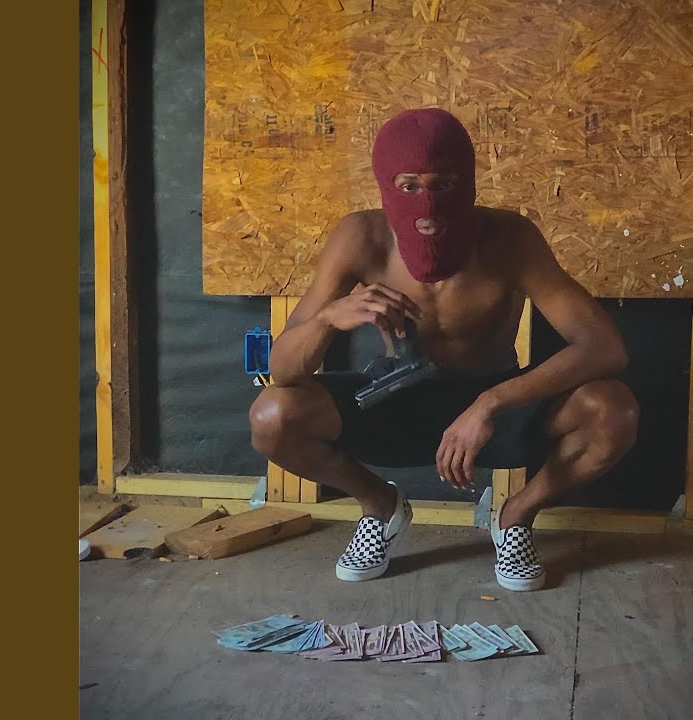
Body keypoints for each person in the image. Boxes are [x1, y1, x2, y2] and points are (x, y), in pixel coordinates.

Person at [250, 108, 638, 591]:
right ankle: (380, 507)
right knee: (272, 416)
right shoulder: (362, 237)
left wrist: (492, 402)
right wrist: (329, 318)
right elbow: (282, 370)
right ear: (387, 186)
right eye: (409, 185)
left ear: (467, 181)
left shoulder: (509, 238)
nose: (428, 205)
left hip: (492, 408)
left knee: (613, 411)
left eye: (444, 184)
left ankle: (514, 518)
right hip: (397, 396)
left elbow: (604, 347)